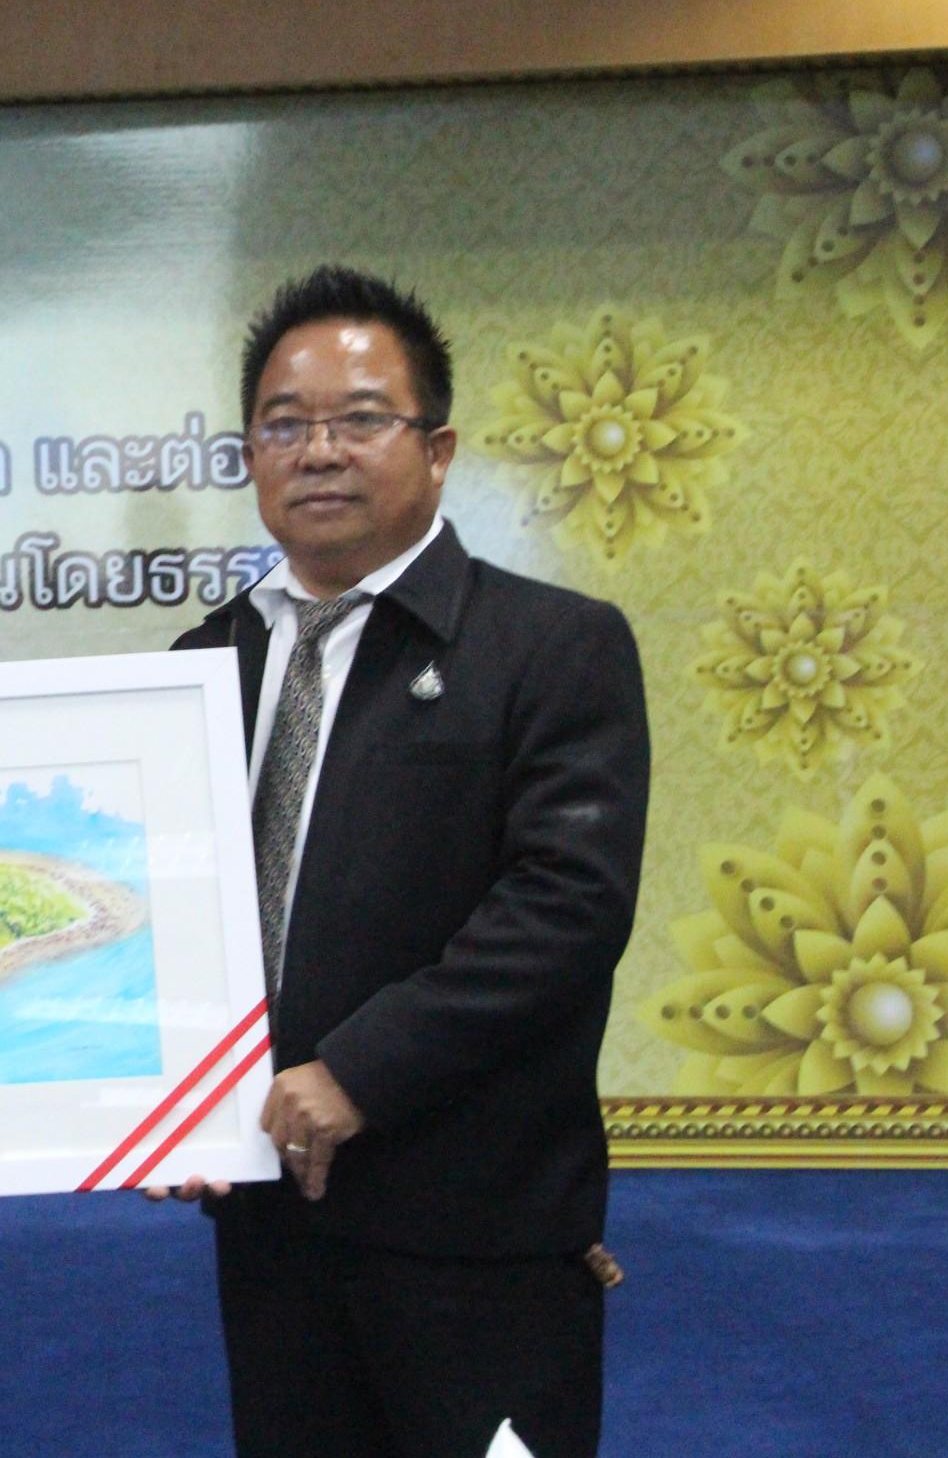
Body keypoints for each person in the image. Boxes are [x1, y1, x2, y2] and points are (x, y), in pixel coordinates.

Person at [159, 266, 650, 1458]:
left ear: (438, 451)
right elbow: (172, 911)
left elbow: (565, 909)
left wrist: (358, 1070)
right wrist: (166, 1095)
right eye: (285, 423)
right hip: (272, 1227)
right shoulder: (202, 663)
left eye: (362, 418)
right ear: (250, 455)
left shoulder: (554, 646)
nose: (320, 450)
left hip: (478, 1235)